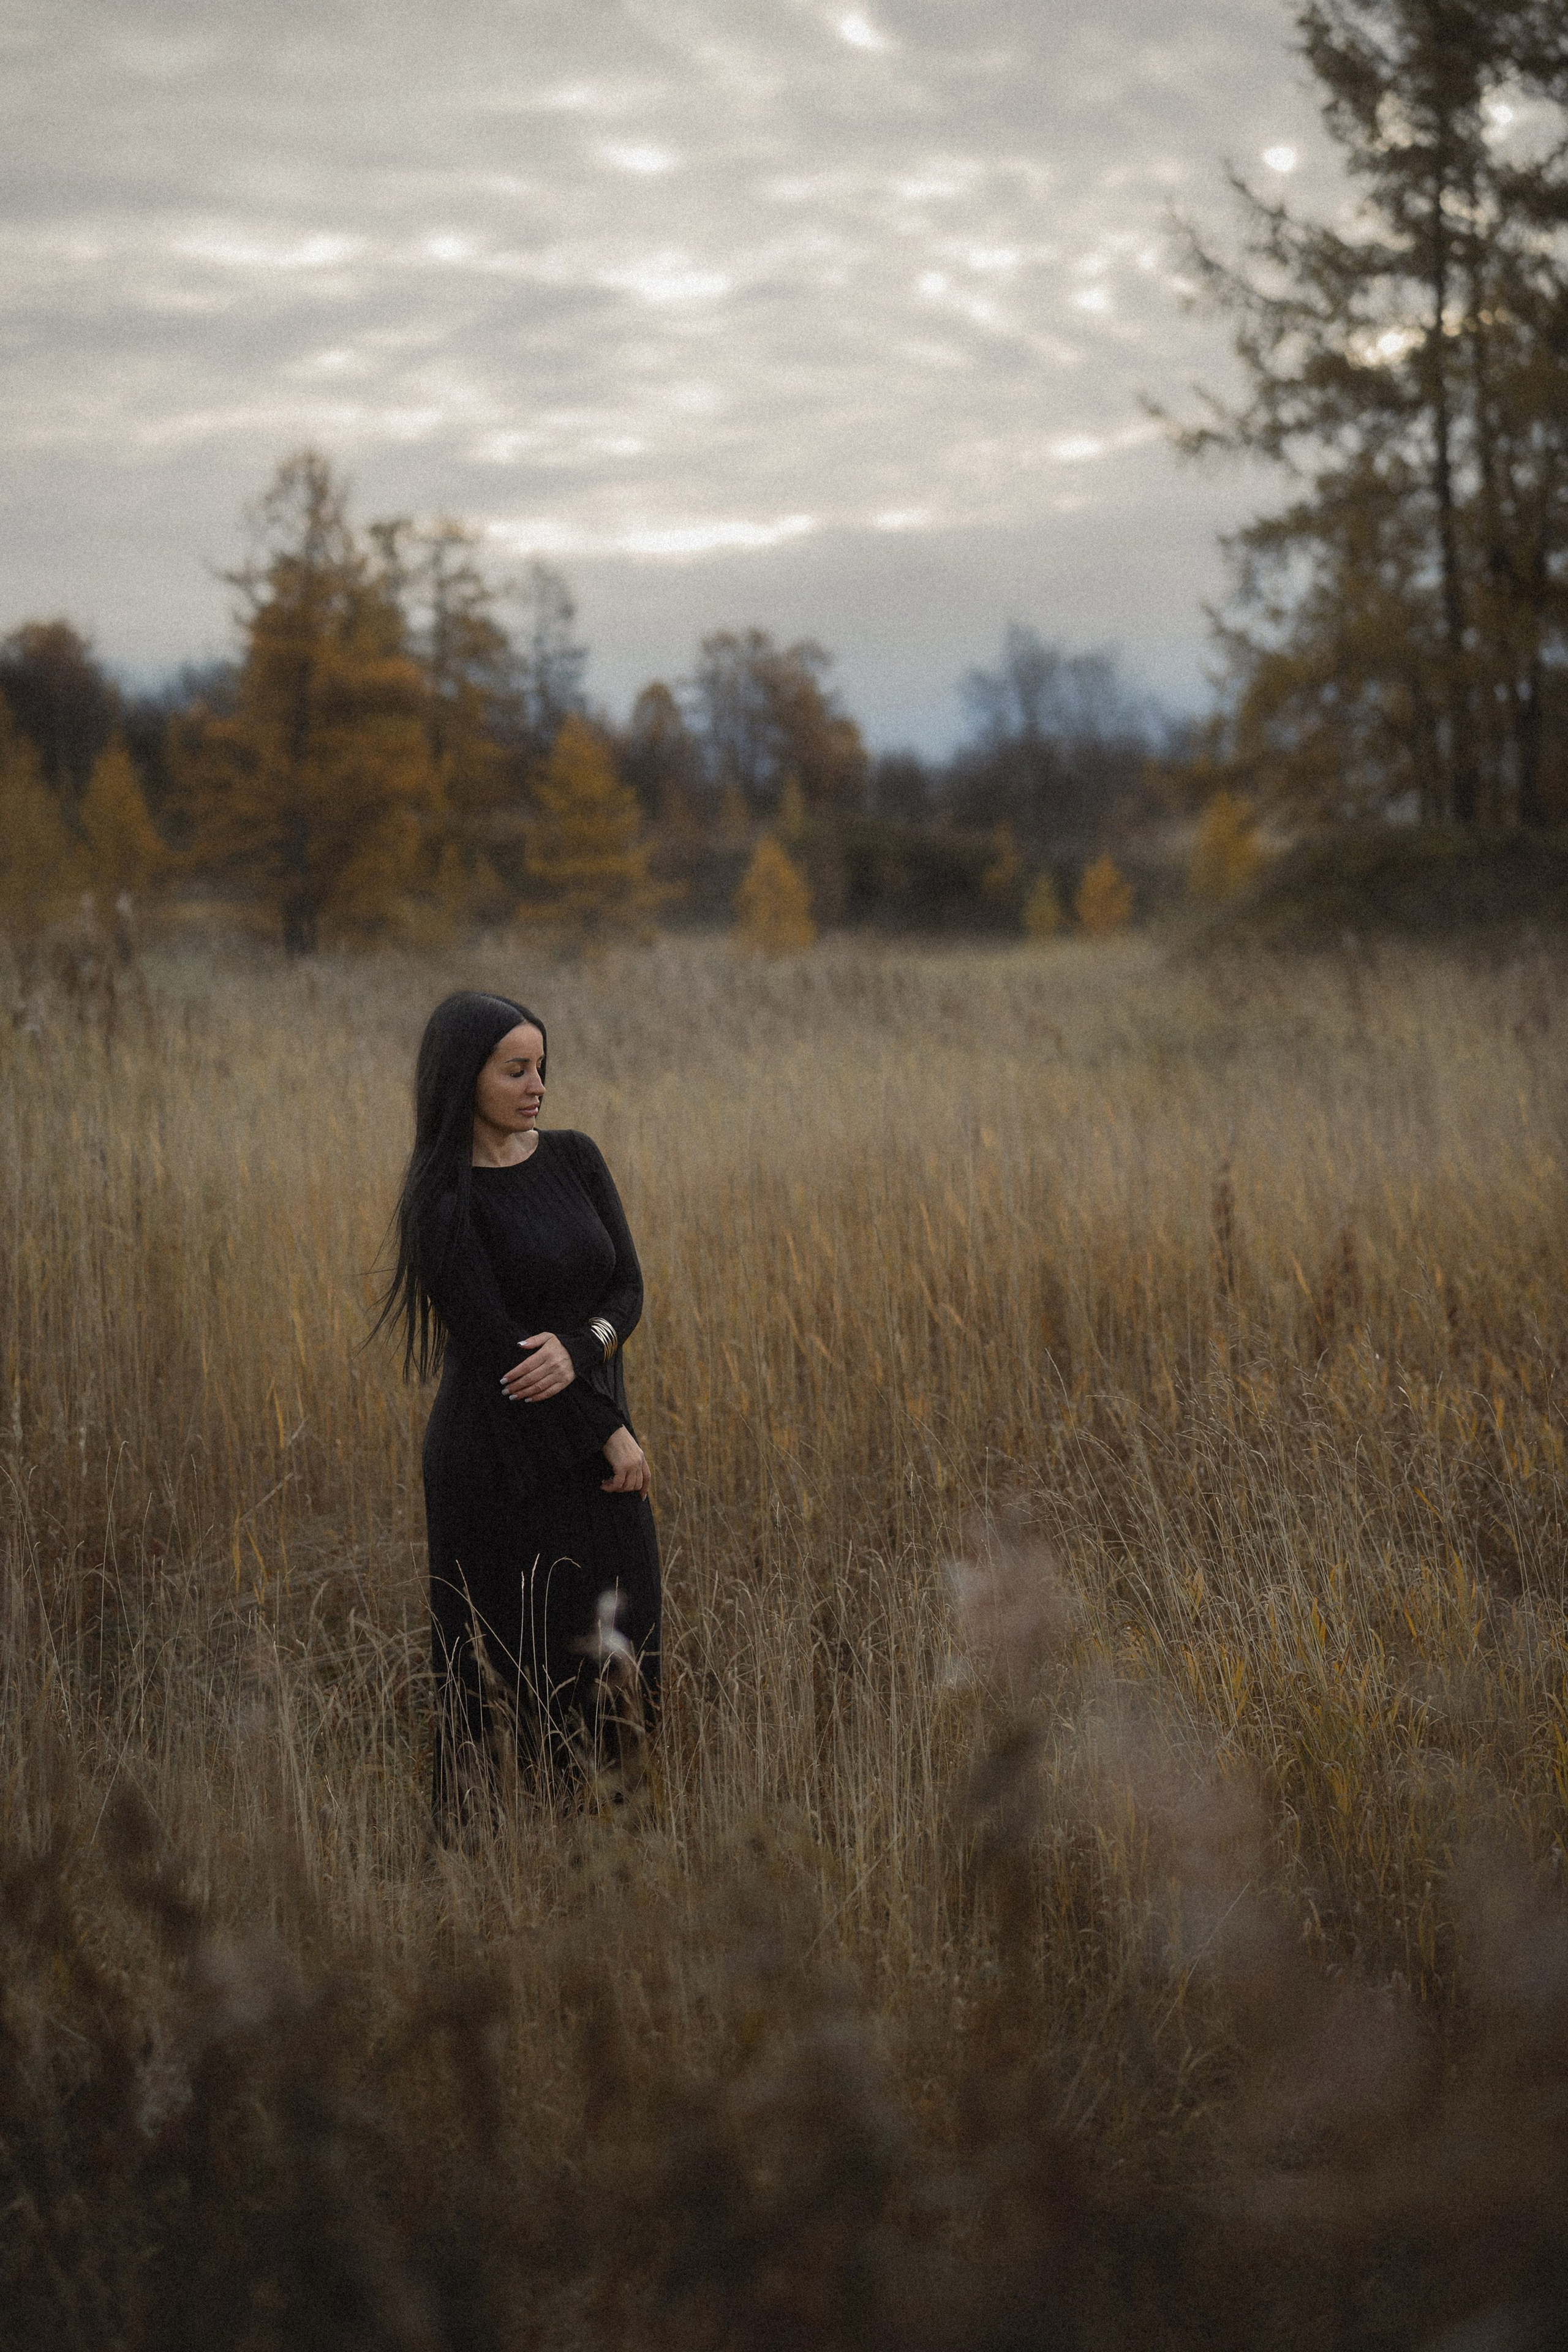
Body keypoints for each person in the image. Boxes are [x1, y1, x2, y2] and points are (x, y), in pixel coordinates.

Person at [375, 990, 660, 1817]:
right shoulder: (442, 1205)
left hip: (593, 1443)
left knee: (624, 1656)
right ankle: (489, 1874)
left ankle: (610, 1855)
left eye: (542, 1067)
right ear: (465, 1079)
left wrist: (585, 1347)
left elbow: (628, 1289)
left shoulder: (575, 1157)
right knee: (503, 1671)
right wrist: (612, 1435)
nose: (537, 1085)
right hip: (496, 1464)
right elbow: (505, 1357)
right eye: (516, 1070)